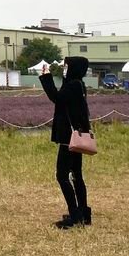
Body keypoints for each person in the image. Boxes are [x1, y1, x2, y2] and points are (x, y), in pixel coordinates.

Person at [39, 57, 92, 229]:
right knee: (76, 175)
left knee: (62, 176)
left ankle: (75, 215)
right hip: (77, 134)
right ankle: (83, 213)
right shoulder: (78, 84)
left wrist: (46, 77)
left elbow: (56, 98)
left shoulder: (72, 86)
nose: (64, 69)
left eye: (67, 66)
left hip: (68, 137)